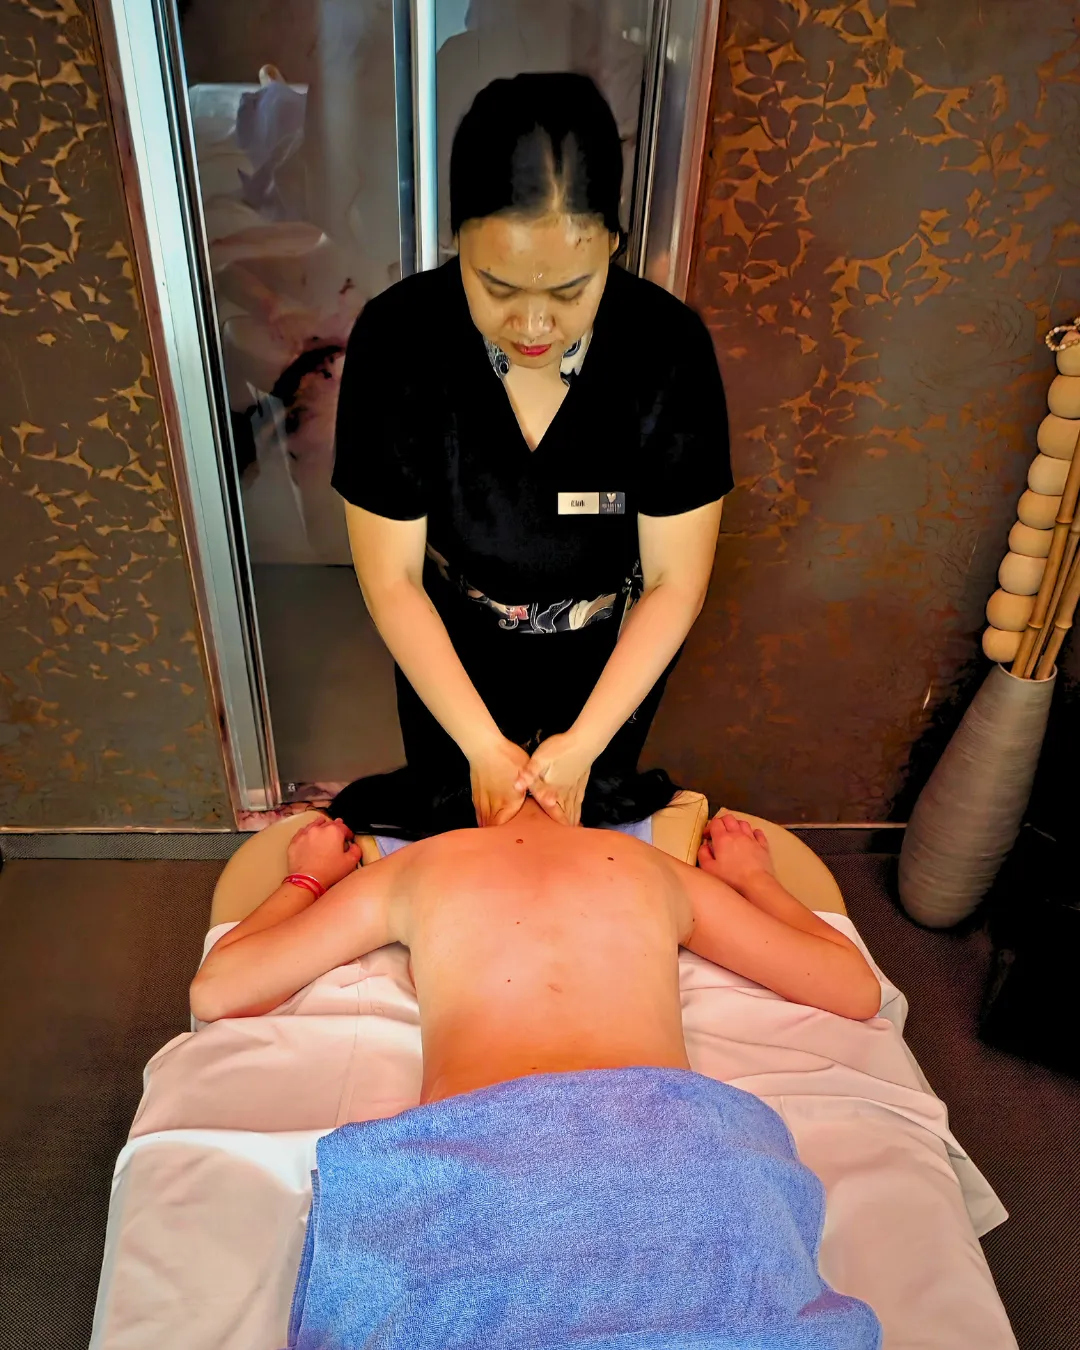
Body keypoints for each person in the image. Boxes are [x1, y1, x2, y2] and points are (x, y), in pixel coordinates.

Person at [190, 809, 882, 1348]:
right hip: (682, 1160)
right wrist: (753, 878)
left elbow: (219, 990)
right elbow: (852, 988)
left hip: (486, 1167)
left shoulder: (420, 865)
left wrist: (308, 878)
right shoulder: (649, 865)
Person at [329, 72, 732, 837]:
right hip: (451, 647)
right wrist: (482, 745)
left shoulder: (667, 350)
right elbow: (392, 579)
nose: (534, 324)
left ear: (614, 244)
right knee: (454, 823)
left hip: (607, 659)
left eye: (570, 290)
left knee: (586, 828)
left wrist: (583, 744)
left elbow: (675, 582)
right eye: (499, 287)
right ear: (458, 238)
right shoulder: (398, 340)